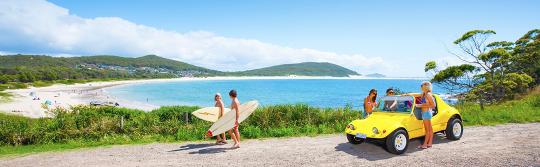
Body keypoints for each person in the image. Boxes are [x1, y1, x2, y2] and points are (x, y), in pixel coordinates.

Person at [416, 81, 436, 149]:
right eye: (421, 85)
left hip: (426, 113)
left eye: (423, 85)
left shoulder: (428, 94)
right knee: (430, 129)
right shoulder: (424, 94)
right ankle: (429, 143)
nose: (421, 86)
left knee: (427, 130)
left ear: (426, 87)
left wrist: (420, 105)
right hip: (426, 113)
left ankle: (424, 144)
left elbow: (433, 105)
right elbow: (417, 96)